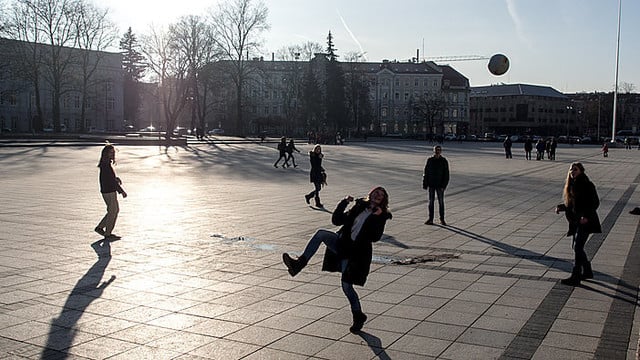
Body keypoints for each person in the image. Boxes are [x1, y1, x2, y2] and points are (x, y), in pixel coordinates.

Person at [282, 187, 392, 333]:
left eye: (381, 195)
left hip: (356, 253)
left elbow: (375, 237)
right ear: (370, 194)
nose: (378, 195)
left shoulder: (382, 215)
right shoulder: (359, 206)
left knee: (346, 286)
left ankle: (358, 315)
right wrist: (343, 203)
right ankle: (298, 264)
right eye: (376, 192)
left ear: (383, 200)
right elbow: (337, 220)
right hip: (342, 244)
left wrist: (376, 217)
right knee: (321, 234)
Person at [555, 162, 601, 286]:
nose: (572, 172)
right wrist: (561, 207)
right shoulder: (571, 185)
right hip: (576, 221)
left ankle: (576, 276)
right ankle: (587, 271)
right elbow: (572, 205)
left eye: (575, 170)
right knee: (577, 247)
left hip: (586, 221)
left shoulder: (587, 185)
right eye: (571, 170)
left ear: (581, 171)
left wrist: (586, 216)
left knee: (577, 247)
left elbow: (595, 203)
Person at [95, 143, 127, 240]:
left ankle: (100, 228)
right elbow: (111, 181)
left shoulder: (106, 164)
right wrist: (121, 191)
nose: (112, 154)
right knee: (113, 211)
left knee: (113, 210)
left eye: (113, 152)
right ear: (106, 154)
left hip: (107, 190)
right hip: (109, 191)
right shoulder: (106, 165)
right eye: (110, 153)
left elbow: (110, 178)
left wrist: (116, 179)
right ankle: (107, 233)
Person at [422, 145, 449, 225]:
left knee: (441, 202)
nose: (437, 151)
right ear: (434, 151)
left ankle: (442, 219)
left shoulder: (444, 161)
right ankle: (430, 219)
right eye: (436, 150)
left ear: (441, 151)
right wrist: (425, 183)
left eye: (439, 150)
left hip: (440, 185)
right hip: (431, 184)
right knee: (431, 202)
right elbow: (426, 172)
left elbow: (446, 174)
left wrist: (444, 185)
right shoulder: (430, 160)